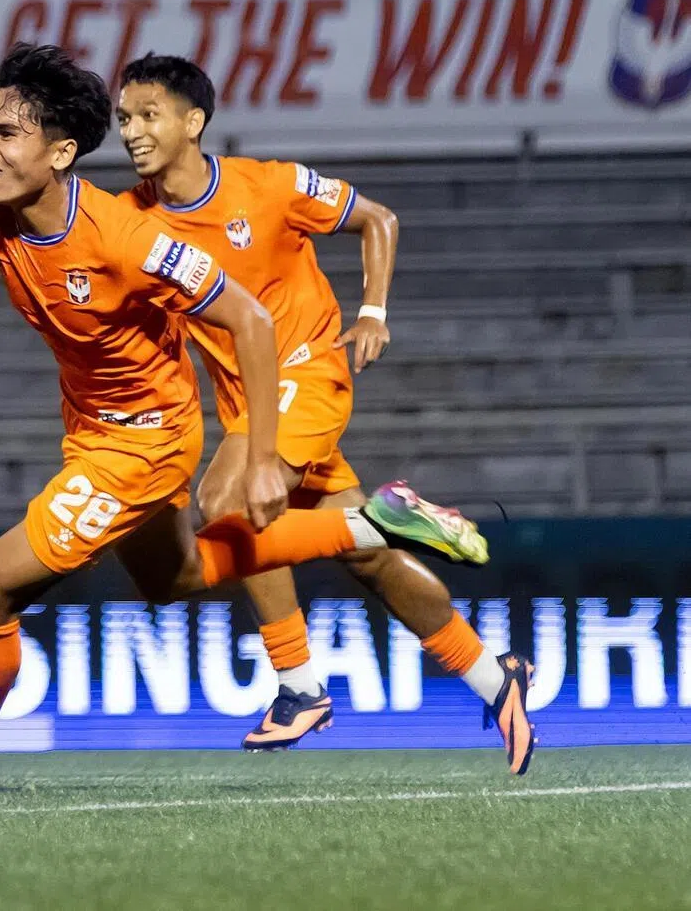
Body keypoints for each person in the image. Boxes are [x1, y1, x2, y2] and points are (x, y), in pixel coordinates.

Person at [0, 43, 489, 798]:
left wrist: (260, 458)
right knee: (175, 578)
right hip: (92, 430)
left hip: (145, 440)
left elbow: (252, 321)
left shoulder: (127, 238)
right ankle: (367, 526)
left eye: (4, 134)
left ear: (61, 152)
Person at [113, 53, 535, 775]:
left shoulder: (269, 185)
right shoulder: (128, 219)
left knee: (225, 504)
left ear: (194, 122)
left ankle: (298, 684)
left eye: (148, 115)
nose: (131, 131)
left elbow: (377, 218)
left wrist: (372, 311)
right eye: (124, 118)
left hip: (307, 372)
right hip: (251, 407)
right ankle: (496, 681)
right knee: (365, 557)